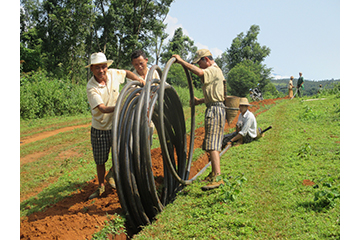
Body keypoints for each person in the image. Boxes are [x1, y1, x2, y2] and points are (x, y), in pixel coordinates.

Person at [86, 52, 145, 199]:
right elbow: (102, 109)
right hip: (100, 127)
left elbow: (127, 73)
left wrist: (139, 80)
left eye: (104, 67)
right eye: (98, 68)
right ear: (92, 69)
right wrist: (122, 105)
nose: (101, 71)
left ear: (107, 67)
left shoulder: (113, 73)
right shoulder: (91, 87)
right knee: (100, 160)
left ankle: (113, 174)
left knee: (122, 152)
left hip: (117, 123)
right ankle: (100, 186)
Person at [172, 49, 226, 190]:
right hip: (215, 107)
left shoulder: (213, 69)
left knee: (213, 144)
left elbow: (200, 73)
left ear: (206, 60)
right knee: (211, 142)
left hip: (215, 110)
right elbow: (215, 95)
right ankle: (214, 173)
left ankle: (218, 177)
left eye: (200, 63)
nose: (200, 66)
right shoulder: (216, 71)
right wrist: (200, 101)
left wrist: (182, 61)